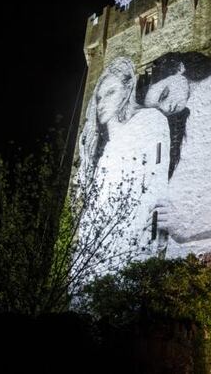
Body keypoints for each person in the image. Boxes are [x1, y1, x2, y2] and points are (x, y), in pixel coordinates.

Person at [74, 57, 170, 277]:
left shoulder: (150, 121)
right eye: (98, 97)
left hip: (135, 251)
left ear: (127, 90)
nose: (100, 104)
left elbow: (157, 186)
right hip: (96, 259)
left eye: (110, 93)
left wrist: (152, 243)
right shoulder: (103, 152)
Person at [135, 51, 211, 258]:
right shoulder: (189, 117)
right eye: (159, 108)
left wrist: (186, 226)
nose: (167, 107)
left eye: (163, 95)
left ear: (180, 68)